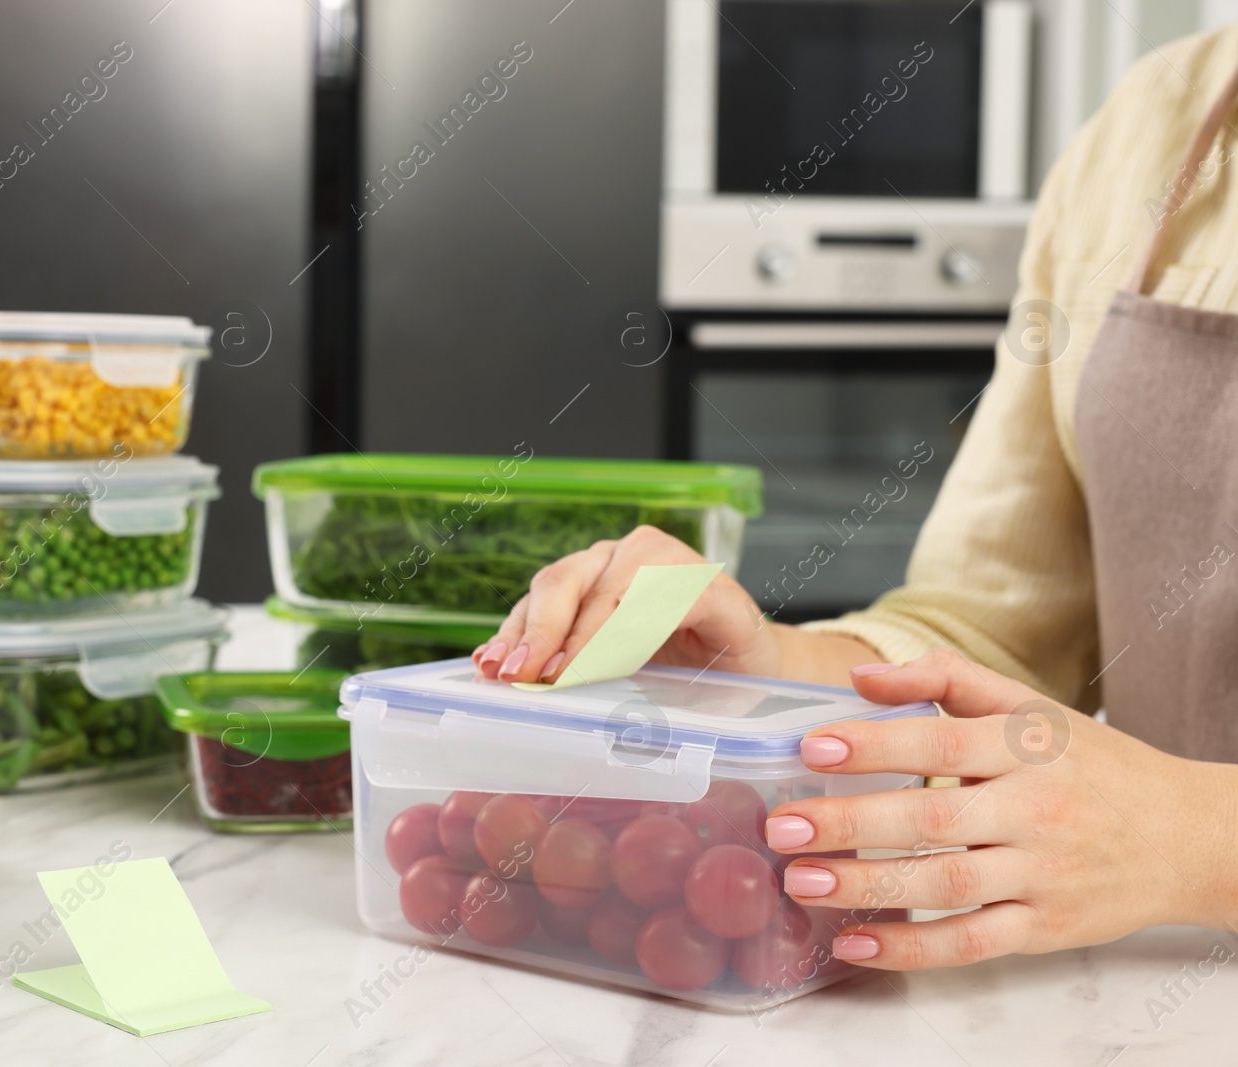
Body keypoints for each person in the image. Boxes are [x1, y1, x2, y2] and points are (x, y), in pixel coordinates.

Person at [473, 27, 1238, 971]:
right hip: (1148, 989)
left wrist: (1197, 841)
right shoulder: (1153, 122)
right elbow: (995, 633)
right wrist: (766, 672)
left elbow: (1168, 830)